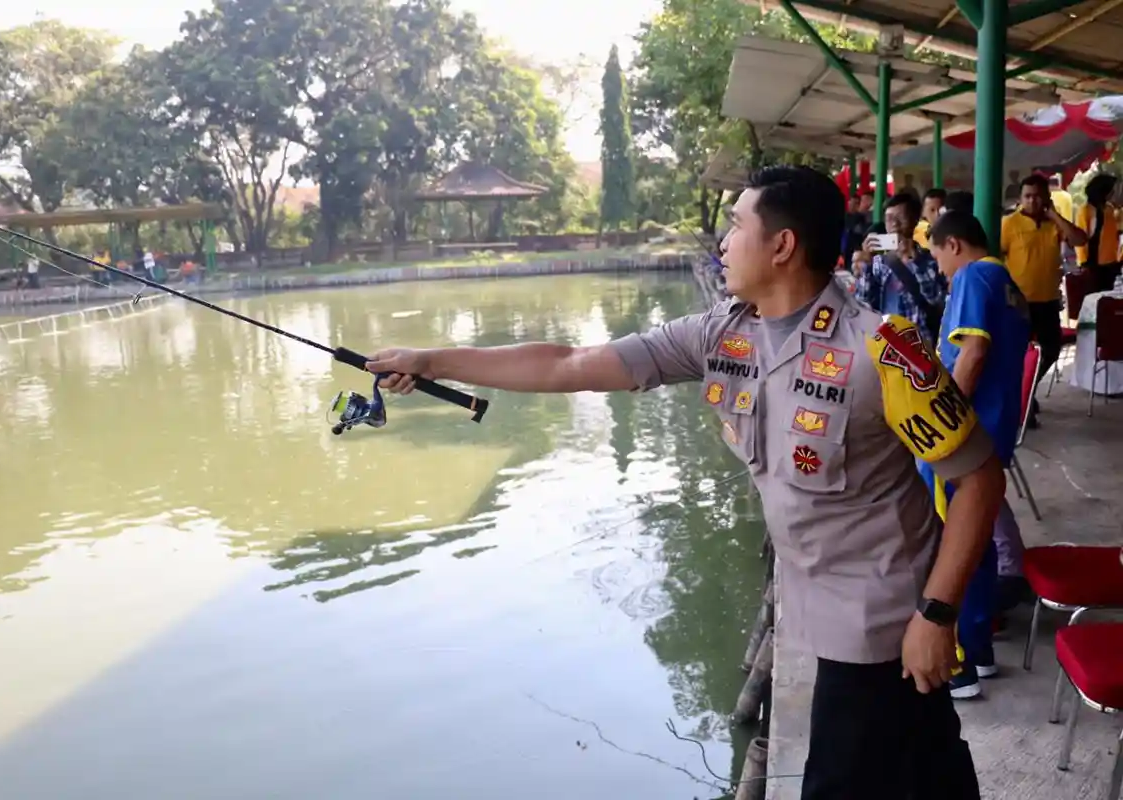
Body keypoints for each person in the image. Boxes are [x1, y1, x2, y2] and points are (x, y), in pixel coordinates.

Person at [369, 166, 1003, 800]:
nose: (723, 244)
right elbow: (570, 363)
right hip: (816, 600)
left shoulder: (882, 350)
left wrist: (937, 613)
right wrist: (432, 360)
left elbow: (978, 477)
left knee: (844, 779)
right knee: (925, 763)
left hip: (883, 616)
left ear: (782, 247)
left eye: (736, 227)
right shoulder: (720, 335)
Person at [926, 210, 1031, 699]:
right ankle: (980, 650)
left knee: (952, 546)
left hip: (963, 438)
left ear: (953, 246)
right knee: (979, 540)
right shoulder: (1008, 281)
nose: (942, 271)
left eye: (938, 257)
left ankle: (960, 665)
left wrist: (944, 420)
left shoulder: (973, 275)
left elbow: (971, 354)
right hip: (993, 434)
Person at [1001, 174, 1087, 413]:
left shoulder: (1054, 224)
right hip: (1019, 302)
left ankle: (1026, 393)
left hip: (1048, 300)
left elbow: (1080, 239)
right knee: (1018, 354)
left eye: (1038, 196)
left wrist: (1055, 216)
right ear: (1020, 199)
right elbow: (996, 256)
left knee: (1051, 350)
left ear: (1047, 198)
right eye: (1028, 196)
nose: (1033, 201)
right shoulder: (1009, 224)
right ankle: (1021, 402)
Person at [853, 191, 947, 345]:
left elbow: (936, 300)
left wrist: (914, 260)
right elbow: (863, 305)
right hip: (887, 347)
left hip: (923, 346)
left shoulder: (929, 260)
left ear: (915, 220)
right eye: (889, 219)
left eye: (900, 218)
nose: (895, 224)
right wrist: (865, 269)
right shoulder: (877, 263)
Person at [1076, 173, 1121, 293]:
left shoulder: (1109, 209)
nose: (1113, 193)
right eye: (1111, 190)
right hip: (1093, 265)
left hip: (1111, 263)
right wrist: (1083, 262)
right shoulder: (1085, 211)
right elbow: (1081, 240)